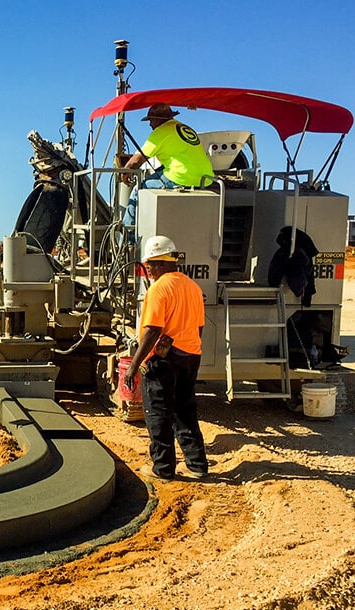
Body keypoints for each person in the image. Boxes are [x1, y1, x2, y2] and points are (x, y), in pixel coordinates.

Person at [123, 236, 208, 481]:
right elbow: (199, 327)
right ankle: (197, 464)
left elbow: (152, 331)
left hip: (164, 361)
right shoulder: (193, 287)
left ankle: (163, 469)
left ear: (160, 263)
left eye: (149, 264)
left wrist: (134, 366)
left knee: (158, 412)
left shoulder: (159, 289)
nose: (148, 269)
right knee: (185, 410)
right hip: (191, 355)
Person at [122, 103, 216, 225]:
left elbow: (136, 161)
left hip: (181, 177)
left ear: (158, 120)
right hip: (206, 178)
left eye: (151, 120)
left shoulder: (161, 132)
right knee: (161, 170)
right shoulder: (184, 127)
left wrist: (125, 172)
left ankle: (127, 238)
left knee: (137, 189)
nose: (150, 124)